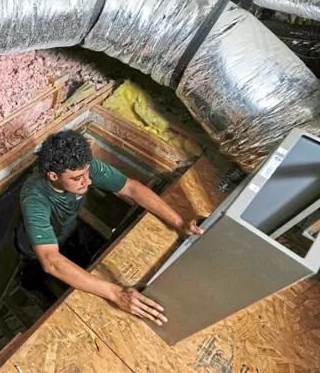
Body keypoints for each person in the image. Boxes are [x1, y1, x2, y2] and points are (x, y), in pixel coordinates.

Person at [14, 130, 203, 325]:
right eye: (77, 178)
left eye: (87, 172)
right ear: (53, 176)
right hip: (35, 250)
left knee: (81, 261)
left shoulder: (82, 168)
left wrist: (179, 223)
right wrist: (116, 293)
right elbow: (51, 261)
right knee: (35, 275)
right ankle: (35, 290)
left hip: (67, 231)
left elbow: (132, 188)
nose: (87, 180)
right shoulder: (34, 198)